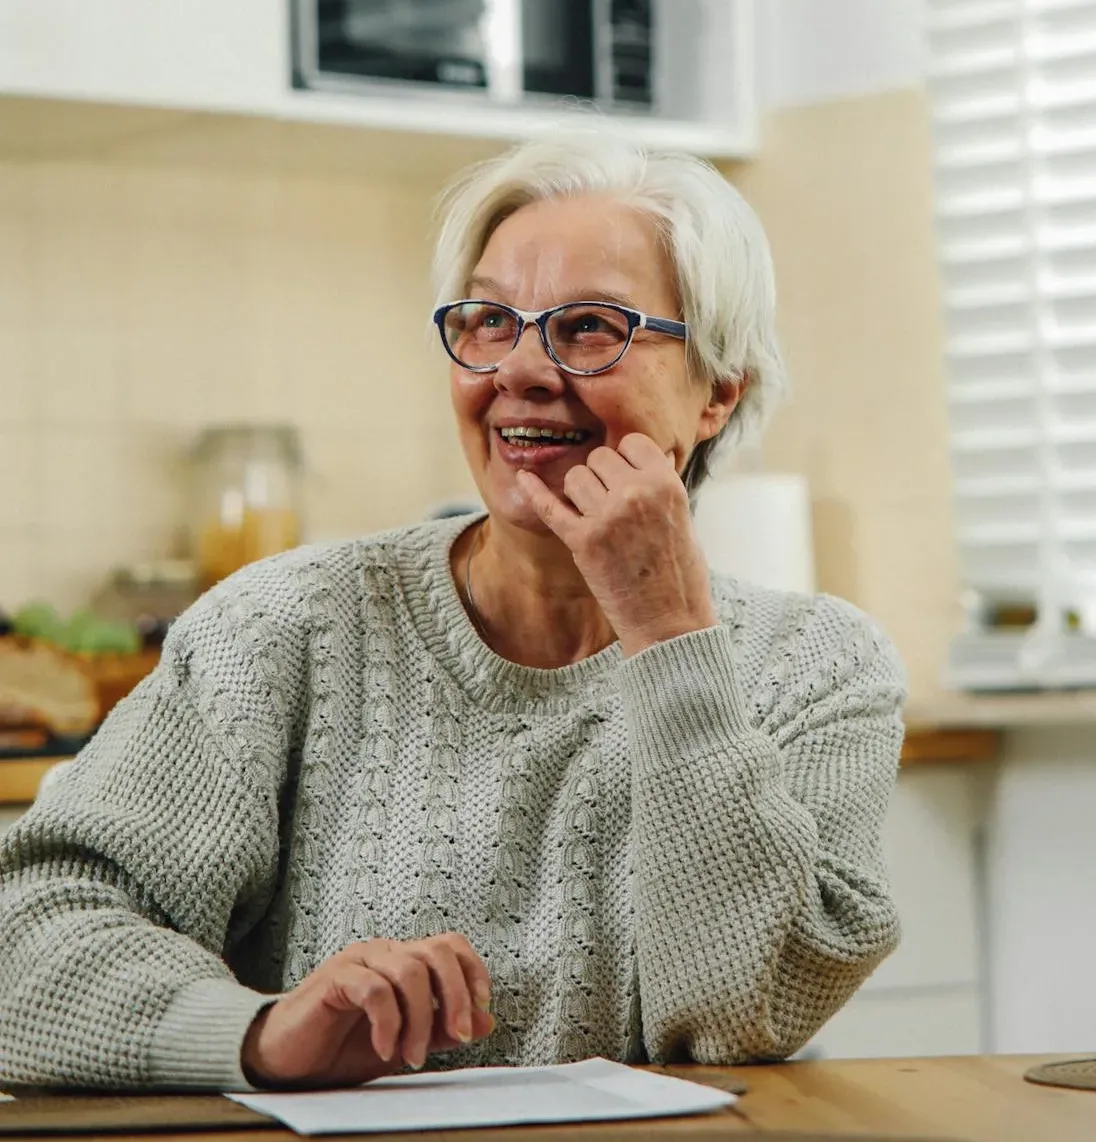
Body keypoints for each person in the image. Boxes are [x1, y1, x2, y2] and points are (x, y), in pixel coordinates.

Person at [0, 131, 906, 1092]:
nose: (519, 370)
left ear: (718, 391)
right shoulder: (281, 629)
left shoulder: (817, 665)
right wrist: (260, 1035)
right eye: (485, 320)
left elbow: (744, 1017)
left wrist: (667, 635)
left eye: (590, 326)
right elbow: (32, 940)